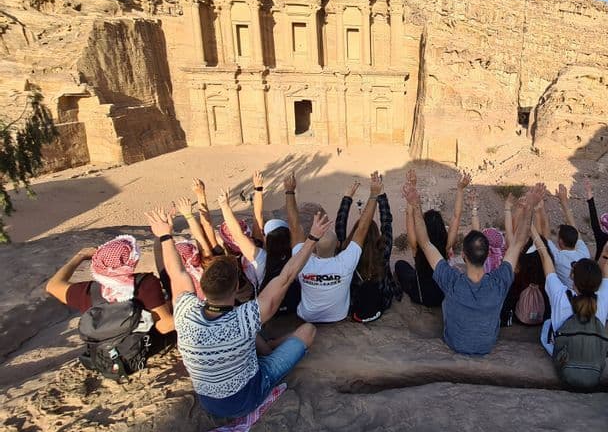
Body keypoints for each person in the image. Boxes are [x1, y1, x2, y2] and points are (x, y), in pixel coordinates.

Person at [148, 205, 330, 418]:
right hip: (248, 397)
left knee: (251, 338)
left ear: (203, 286)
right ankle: (269, 351)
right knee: (307, 331)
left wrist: (164, 235)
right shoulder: (244, 319)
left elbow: (177, 272)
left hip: (208, 401)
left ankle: (268, 347)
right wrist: (313, 238)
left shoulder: (185, 311)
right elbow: (286, 277)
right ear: (235, 288)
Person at [402, 178, 546, 355]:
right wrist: (530, 207)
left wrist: (415, 205)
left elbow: (425, 244)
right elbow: (518, 244)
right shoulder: (499, 282)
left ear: (463, 255)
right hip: (487, 345)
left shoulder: (452, 281)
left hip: (454, 342)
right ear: (486, 255)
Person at [45, 236, 176, 355]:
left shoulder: (88, 291)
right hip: (142, 347)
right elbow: (164, 326)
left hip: (106, 353)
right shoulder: (145, 283)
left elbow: (52, 285)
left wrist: (79, 256)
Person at [286, 171, 382, 323]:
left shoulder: (301, 261)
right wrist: (374, 194)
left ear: (314, 248)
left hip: (307, 316)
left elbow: (294, 226)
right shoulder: (345, 262)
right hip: (338, 316)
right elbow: (362, 229)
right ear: (337, 244)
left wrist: (289, 190)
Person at [538, 219, 608, 356]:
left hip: (562, 357)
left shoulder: (561, 295)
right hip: (593, 359)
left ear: (572, 277)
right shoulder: (602, 299)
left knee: (547, 324)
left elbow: (545, 257)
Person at [335, 179, 401, 322]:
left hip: (353, 305)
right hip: (382, 303)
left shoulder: (344, 253)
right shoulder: (383, 251)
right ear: (376, 235)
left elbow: (340, 228)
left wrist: (347, 198)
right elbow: (387, 223)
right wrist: (381, 196)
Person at [394, 169, 456, 307]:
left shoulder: (417, 246)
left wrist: (412, 194)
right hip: (441, 296)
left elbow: (412, 218)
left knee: (400, 265)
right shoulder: (446, 246)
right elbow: (456, 217)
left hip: (421, 296)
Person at [539, 182, 591, 288]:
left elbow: (544, 234)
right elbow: (574, 227)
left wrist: (540, 207)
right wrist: (564, 201)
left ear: (560, 242)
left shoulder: (558, 258)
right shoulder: (584, 253)